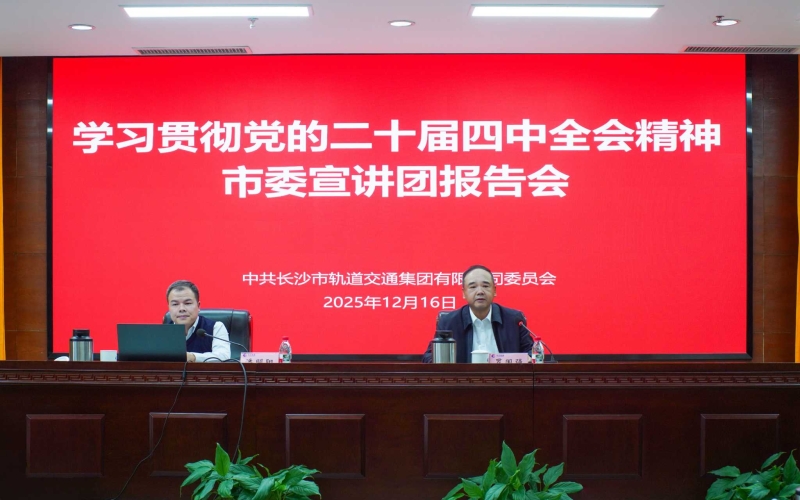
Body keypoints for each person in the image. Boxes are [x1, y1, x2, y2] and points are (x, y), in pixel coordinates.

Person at [422, 265, 533, 363]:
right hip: (464, 380)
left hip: (505, 379)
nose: (480, 292)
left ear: (494, 290)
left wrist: (528, 358)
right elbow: (429, 357)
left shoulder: (514, 320)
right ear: (464, 293)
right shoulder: (449, 322)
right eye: (473, 287)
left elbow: (532, 352)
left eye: (485, 286)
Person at [166, 280, 231, 362]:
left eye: (187, 303)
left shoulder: (215, 327)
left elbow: (224, 357)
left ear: (198, 306)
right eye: (175, 304)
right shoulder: (163, 333)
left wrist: (193, 357)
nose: (181, 309)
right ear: (169, 308)